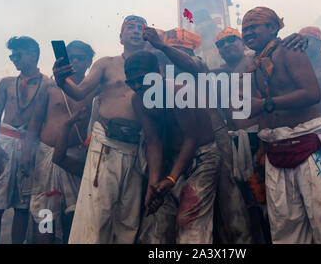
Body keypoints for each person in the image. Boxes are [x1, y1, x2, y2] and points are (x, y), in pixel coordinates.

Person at [242, 6, 321, 243]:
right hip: (275, 151)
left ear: (272, 28)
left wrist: (267, 104)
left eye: (253, 27)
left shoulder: (290, 51)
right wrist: (261, 148)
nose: (247, 33)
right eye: (244, 29)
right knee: (285, 226)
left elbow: (312, 93)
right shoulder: (255, 64)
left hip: (308, 148)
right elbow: (260, 111)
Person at [142, 26, 253, 243]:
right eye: (170, 50)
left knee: (228, 201)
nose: (172, 55)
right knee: (179, 206)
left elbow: (191, 65)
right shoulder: (163, 77)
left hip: (214, 139)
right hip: (177, 146)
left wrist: (164, 47)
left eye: (178, 50)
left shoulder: (197, 67)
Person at [52, 15, 146, 243]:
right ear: (121, 37)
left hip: (137, 147)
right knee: (98, 212)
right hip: (107, 145)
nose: (135, 31)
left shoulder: (152, 65)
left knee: (129, 218)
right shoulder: (107, 63)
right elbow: (80, 92)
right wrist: (61, 80)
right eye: (130, 27)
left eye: (140, 28)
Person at [125, 51, 220, 243]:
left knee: (190, 221)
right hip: (172, 159)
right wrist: (154, 184)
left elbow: (191, 138)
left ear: (158, 72)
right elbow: (153, 141)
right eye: (131, 82)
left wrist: (170, 178)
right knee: (157, 224)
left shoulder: (178, 92)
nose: (137, 86)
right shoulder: (138, 100)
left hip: (203, 158)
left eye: (141, 79)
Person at [24, 41, 95, 243]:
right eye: (69, 57)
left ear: (89, 62)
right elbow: (36, 120)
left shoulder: (94, 88)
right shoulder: (49, 86)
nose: (74, 62)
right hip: (47, 155)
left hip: (75, 156)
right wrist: (27, 153)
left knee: (76, 212)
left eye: (79, 58)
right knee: (46, 213)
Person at [0, 36, 51, 244]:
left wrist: (30, 153)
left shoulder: (48, 84)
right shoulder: (6, 83)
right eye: (11, 55)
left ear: (33, 54)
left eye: (17, 54)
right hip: (3, 145)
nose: (13, 59)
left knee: (22, 209)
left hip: (30, 147)